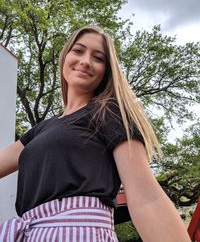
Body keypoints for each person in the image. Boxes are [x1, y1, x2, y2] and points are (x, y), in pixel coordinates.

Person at [0, 25, 191, 242]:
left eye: (98, 58)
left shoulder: (108, 112)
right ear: (65, 57)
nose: (86, 61)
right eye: (79, 51)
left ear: (106, 72)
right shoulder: (41, 130)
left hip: (79, 234)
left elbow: (147, 198)